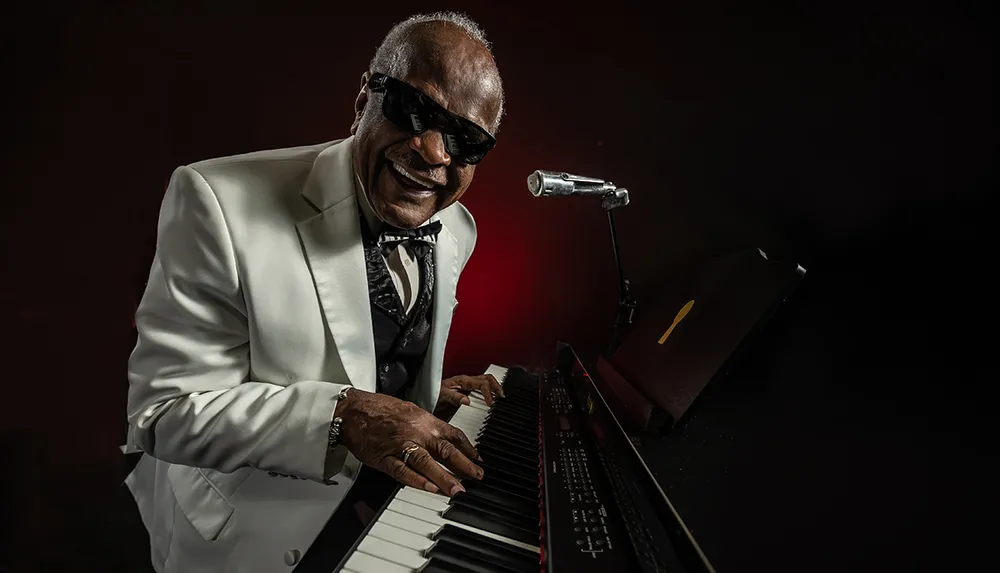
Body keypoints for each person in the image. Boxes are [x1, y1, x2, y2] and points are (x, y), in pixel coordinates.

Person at [123, 12, 506, 573]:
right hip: (240, 536)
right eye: (413, 110)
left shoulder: (458, 230)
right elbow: (163, 413)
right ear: (363, 99)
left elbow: (367, 347)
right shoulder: (214, 199)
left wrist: (420, 396)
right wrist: (346, 414)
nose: (434, 152)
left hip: (366, 524)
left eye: (465, 140)